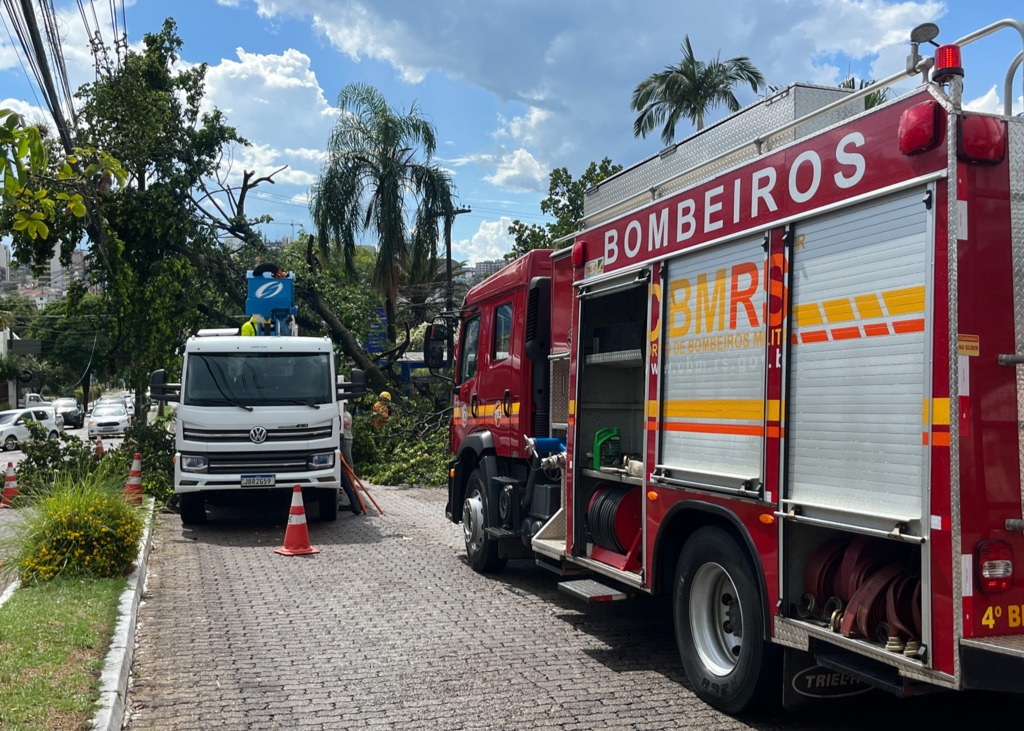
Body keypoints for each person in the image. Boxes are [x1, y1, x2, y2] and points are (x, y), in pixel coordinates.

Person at [339, 409, 362, 515]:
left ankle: (351, 481)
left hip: (346, 440)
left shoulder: (346, 414)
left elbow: (346, 424)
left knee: (348, 463)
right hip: (342, 440)